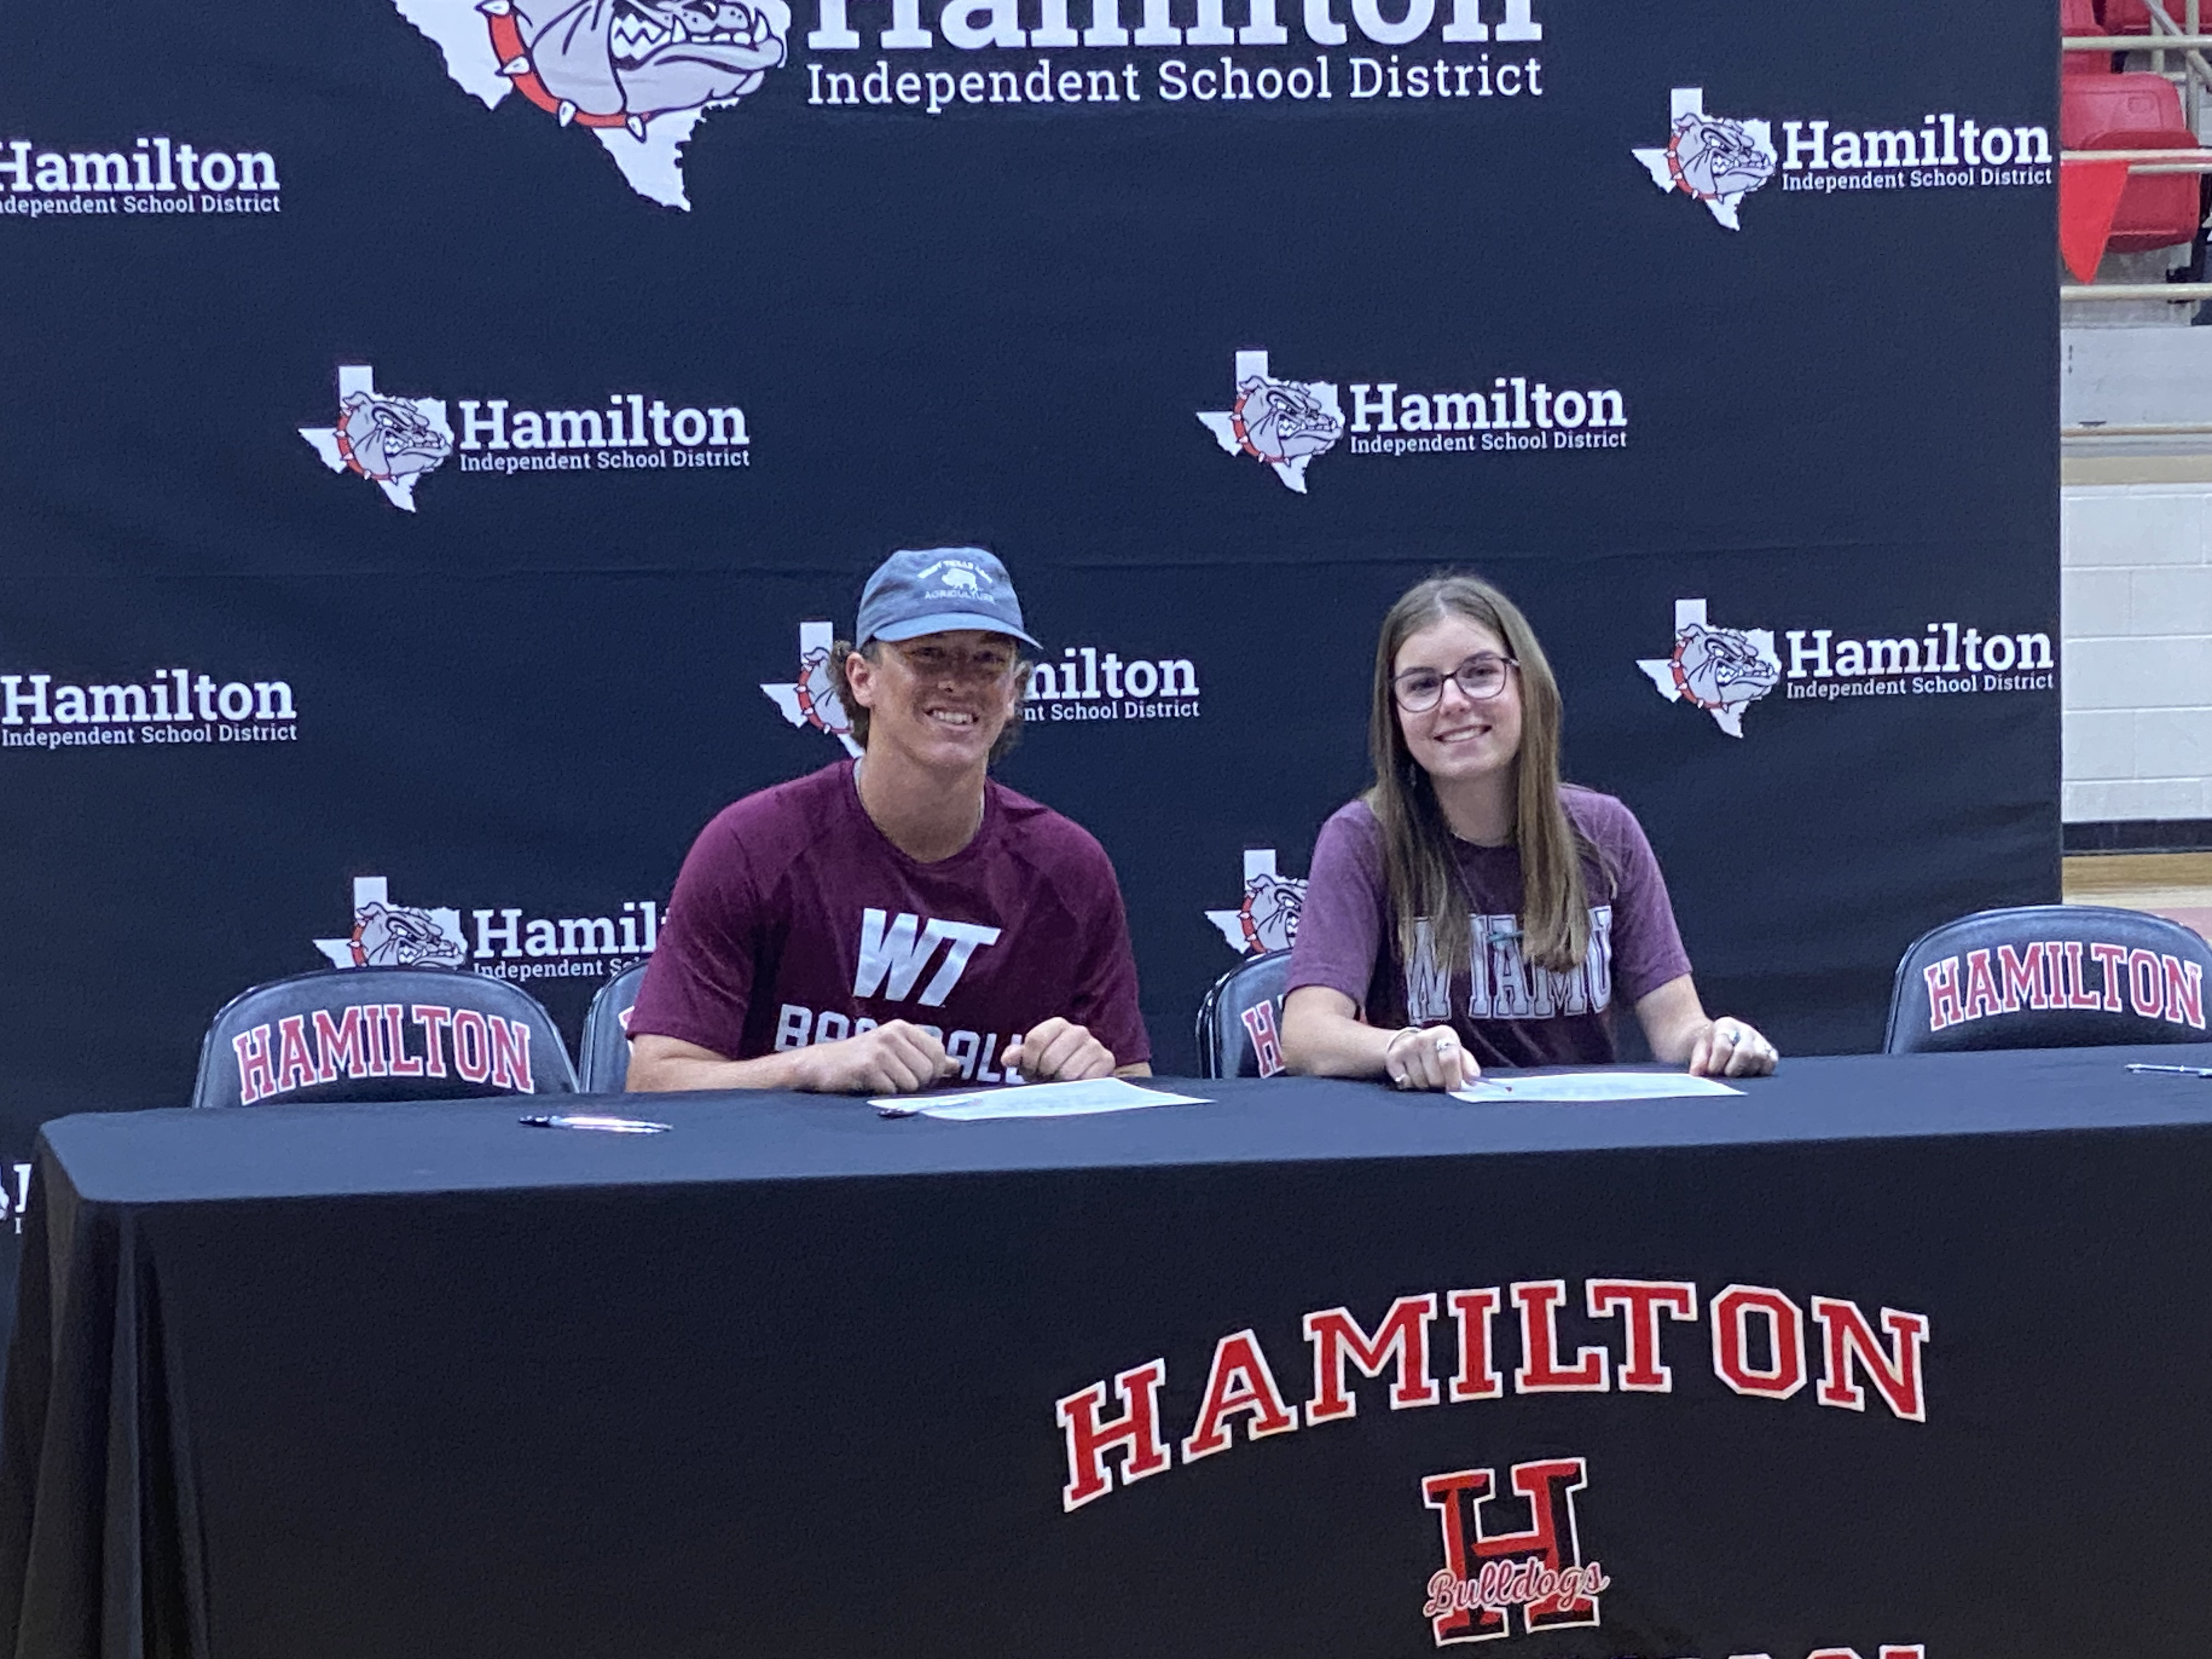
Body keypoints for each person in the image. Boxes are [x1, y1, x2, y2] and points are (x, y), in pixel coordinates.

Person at [626, 547, 1151, 1094]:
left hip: (990, 1177)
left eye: (988, 661)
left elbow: (1136, 1092)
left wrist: (1088, 1074)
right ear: (861, 679)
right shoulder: (752, 846)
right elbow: (655, 1082)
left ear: (1014, 692)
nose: (958, 682)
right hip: (796, 1173)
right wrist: (811, 1068)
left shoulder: (1070, 869)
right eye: (928, 655)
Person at [1280, 574, 1776, 1088]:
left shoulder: (1607, 831)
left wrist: (1718, 1042)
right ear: (1395, 714)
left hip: (1581, 1148)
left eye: (1479, 673)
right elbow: (1306, 1034)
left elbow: (1678, 1028)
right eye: (1423, 685)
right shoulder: (1364, 838)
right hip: (1431, 1144)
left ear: (1526, 684)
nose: (1453, 701)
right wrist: (1401, 1045)